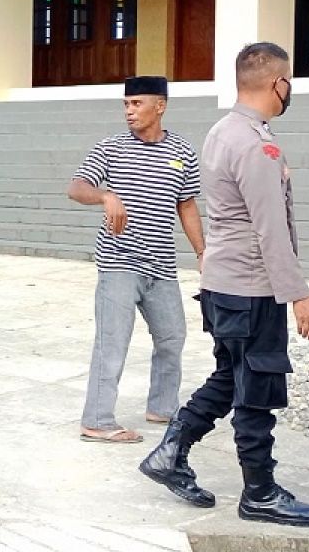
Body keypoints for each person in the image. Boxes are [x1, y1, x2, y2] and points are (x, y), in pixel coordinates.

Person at [140, 42, 309, 526]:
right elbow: (270, 228)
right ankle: (260, 492)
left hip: (225, 284)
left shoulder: (223, 131)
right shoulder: (254, 143)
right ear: (277, 83)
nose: (289, 91)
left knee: (230, 376)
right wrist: (299, 294)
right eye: (289, 83)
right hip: (251, 287)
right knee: (256, 388)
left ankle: (169, 453)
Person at [68, 76, 205, 443]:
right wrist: (105, 197)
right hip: (118, 263)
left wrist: (202, 252)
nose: (129, 111)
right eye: (126, 105)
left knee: (172, 337)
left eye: (137, 104)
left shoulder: (183, 152)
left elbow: (187, 205)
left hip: (161, 265)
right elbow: (77, 187)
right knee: (112, 341)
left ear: (160, 105)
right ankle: (96, 419)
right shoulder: (109, 148)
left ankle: (162, 408)